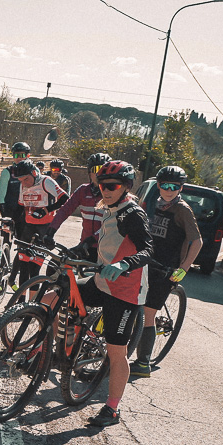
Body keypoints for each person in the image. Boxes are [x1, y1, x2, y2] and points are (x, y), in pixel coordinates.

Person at [71, 160, 153, 426]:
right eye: (101, 185)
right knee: (58, 295)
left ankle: (112, 409)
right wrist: (75, 251)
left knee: (117, 353)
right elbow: (99, 240)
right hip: (101, 282)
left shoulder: (133, 214)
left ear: (126, 187)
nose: (104, 190)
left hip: (125, 292)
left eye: (111, 186)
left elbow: (148, 250)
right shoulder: (109, 208)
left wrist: (124, 264)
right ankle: (47, 352)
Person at [130, 165, 202, 378]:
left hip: (166, 270)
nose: (169, 190)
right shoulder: (152, 202)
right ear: (158, 185)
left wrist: (183, 270)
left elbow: (196, 242)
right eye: (165, 185)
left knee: (148, 314)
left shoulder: (182, 209)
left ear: (181, 187)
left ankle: (143, 363)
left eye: (175, 186)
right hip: (144, 262)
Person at [11, 159, 70, 288]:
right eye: (21, 181)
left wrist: (47, 210)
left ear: (34, 173)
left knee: (34, 269)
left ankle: (32, 303)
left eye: (26, 179)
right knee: (23, 267)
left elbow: (65, 199)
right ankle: (20, 302)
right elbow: (20, 207)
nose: (24, 184)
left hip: (44, 228)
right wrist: (11, 222)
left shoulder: (46, 181)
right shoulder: (23, 185)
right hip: (29, 226)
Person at [46, 152, 111, 262]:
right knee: (55, 266)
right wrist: (50, 232)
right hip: (85, 247)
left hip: (106, 249)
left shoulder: (112, 193)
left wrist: (91, 240)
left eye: (103, 169)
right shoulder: (83, 191)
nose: (99, 173)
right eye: (96, 170)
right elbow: (65, 210)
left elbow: (112, 224)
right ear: (90, 173)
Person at [0, 141, 32, 283]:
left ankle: (17, 276)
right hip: (10, 213)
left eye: (21, 155)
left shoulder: (33, 171)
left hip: (25, 214)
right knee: (5, 243)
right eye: (15, 155)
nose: (18, 157)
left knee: (23, 246)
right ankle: (1, 274)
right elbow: (1, 196)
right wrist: (4, 215)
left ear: (28, 155)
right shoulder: (8, 172)